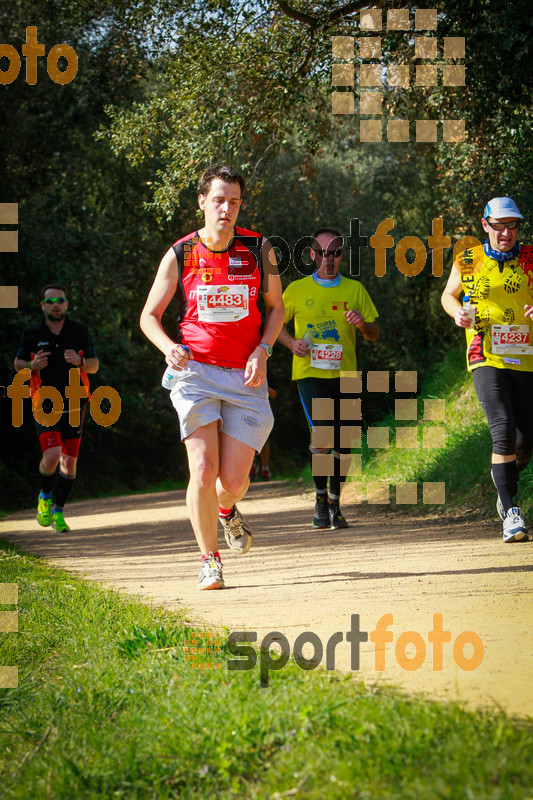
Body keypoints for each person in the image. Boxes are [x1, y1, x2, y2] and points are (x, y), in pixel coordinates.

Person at [140, 165, 284, 590]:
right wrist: (169, 347)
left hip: (246, 376)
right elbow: (149, 316)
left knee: (234, 482)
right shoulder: (181, 253)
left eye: (234, 201)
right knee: (202, 468)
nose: (226, 208)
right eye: (218, 199)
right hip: (195, 373)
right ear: (202, 202)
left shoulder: (259, 250)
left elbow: (275, 308)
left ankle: (226, 511)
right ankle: (209, 560)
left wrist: (264, 349)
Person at [441, 196, 533, 542]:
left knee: (526, 441)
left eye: (513, 225)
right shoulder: (468, 259)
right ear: (485, 225)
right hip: (485, 353)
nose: (506, 232)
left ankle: (503, 482)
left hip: (526, 355)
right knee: (503, 428)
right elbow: (448, 296)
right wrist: (457, 313)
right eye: (499, 225)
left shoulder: (530, 258)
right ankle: (512, 512)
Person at [278, 228, 379, 529]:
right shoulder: (296, 290)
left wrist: (363, 326)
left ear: (341, 255)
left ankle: (335, 503)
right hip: (310, 374)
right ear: (312, 255)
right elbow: (273, 325)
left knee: (344, 441)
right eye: (322, 253)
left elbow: (374, 334)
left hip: (345, 375)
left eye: (334, 252)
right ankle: (320, 499)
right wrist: (291, 343)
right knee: (324, 434)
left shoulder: (355, 290)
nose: (328, 258)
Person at [14, 284, 99, 532]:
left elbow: (94, 365)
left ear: (66, 304)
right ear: (43, 306)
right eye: (50, 300)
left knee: (69, 463)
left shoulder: (79, 331)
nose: (55, 304)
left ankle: (59, 513)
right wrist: (31, 364)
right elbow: (17, 363)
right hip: (45, 400)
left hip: (75, 401)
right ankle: (45, 495)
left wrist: (80, 361)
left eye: (59, 300)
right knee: (51, 456)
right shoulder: (32, 333)